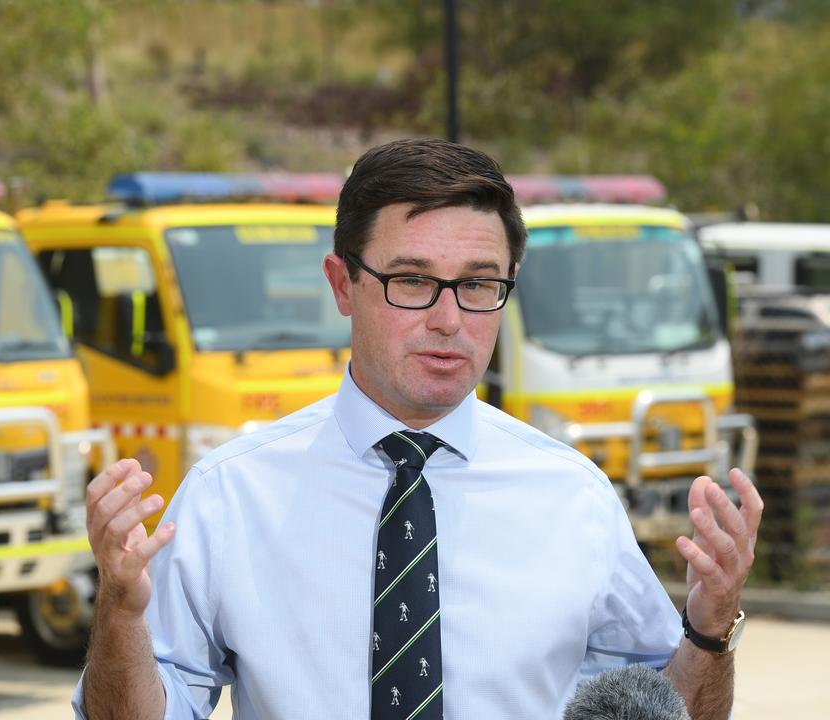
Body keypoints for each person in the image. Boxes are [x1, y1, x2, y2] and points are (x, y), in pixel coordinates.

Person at [74, 138, 762, 719]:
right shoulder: (232, 496)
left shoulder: (573, 496)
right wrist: (122, 616)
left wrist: (708, 626)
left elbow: (665, 708)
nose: (449, 318)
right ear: (343, 284)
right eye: (412, 281)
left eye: (479, 283)